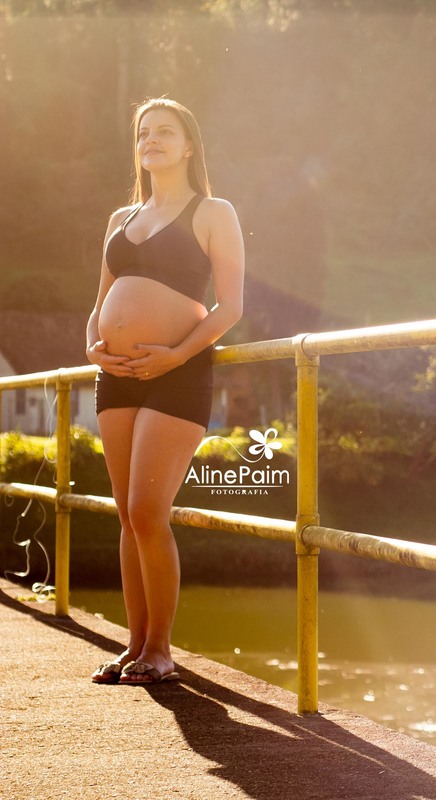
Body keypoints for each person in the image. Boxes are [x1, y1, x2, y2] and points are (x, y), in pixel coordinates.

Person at [86, 98, 244, 685]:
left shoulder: (213, 211)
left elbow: (232, 305)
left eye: (165, 132)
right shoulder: (119, 219)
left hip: (178, 372)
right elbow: (99, 305)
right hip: (116, 375)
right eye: (144, 132)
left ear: (188, 146)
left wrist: (177, 352)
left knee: (151, 511)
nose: (152, 140)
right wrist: (91, 345)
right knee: (128, 514)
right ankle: (132, 646)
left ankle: (161, 650)